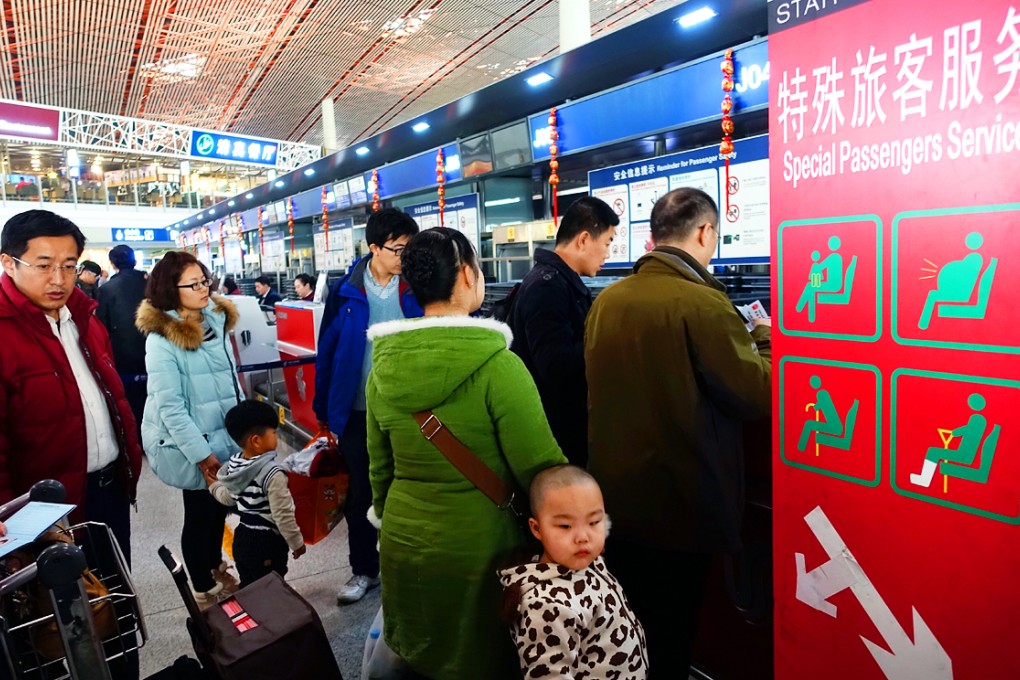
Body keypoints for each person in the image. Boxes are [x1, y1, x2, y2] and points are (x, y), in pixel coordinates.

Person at [365, 227, 567, 679]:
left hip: (404, 541)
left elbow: (380, 469)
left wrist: (389, 518)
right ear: (466, 275)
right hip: (481, 549)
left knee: (419, 651)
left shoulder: (383, 368)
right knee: (477, 656)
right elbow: (542, 468)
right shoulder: (499, 366)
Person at [585, 188, 771, 676]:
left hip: (618, 498)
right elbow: (753, 395)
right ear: (706, 232)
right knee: (673, 628)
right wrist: (765, 345)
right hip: (681, 503)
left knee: (632, 625)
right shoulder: (702, 303)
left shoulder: (608, 300)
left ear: (653, 236)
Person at [0, 210, 142, 565]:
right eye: (44, 265)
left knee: (116, 592)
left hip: (109, 490)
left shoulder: (86, 320)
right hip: (42, 511)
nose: (59, 279)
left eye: (68, 265)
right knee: (70, 612)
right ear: (8, 263)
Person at [313, 208, 423, 605]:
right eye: (398, 249)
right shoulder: (346, 291)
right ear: (373, 247)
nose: (404, 257)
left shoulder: (418, 287)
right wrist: (323, 409)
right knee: (362, 494)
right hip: (358, 412)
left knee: (410, 489)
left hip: (410, 409)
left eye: (410, 248)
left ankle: (409, 565)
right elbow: (326, 351)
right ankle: (364, 570)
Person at [135, 251, 242, 607]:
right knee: (199, 513)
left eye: (205, 281)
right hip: (193, 442)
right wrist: (201, 455)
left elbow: (229, 380)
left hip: (225, 434)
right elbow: (170, 406)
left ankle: (213, 568)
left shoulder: (215, 320)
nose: (203, 289)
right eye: (192, 284)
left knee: (217, 512)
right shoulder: (162, 338)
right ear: (171, 289)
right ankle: (204, 585)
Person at [499, 464, 648, 679]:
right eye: (565, 526)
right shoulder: (545, 606)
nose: (583, 537)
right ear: (537, 528)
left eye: (594, 522)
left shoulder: (586, 560)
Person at [507, 196, 619, 466]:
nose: (608, 253)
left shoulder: (558, 282)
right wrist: (608, 341)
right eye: (606, 243)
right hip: (557, 434)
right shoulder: (548, 287)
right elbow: (555, 364)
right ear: (583, 240)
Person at [210, 400, 305, 587]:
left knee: (249, 586)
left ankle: (253, 613)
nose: (277, 437)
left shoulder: (236, 466)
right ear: (256, 440)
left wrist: (213, 485)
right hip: (267, 542)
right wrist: (296, 542)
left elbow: (227, 497)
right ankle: (273, 615)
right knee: (271, 587)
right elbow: (282, 515)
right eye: (274, 433)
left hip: (242, 538)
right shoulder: (273, 473)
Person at [97, 244, 149, 438]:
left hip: (124, 355)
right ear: (134, 261)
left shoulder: (107, 290)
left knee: (131, 399)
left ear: (112, 264)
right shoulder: (149, 283)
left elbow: (102, 325)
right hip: (156, 349)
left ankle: (137, 436)